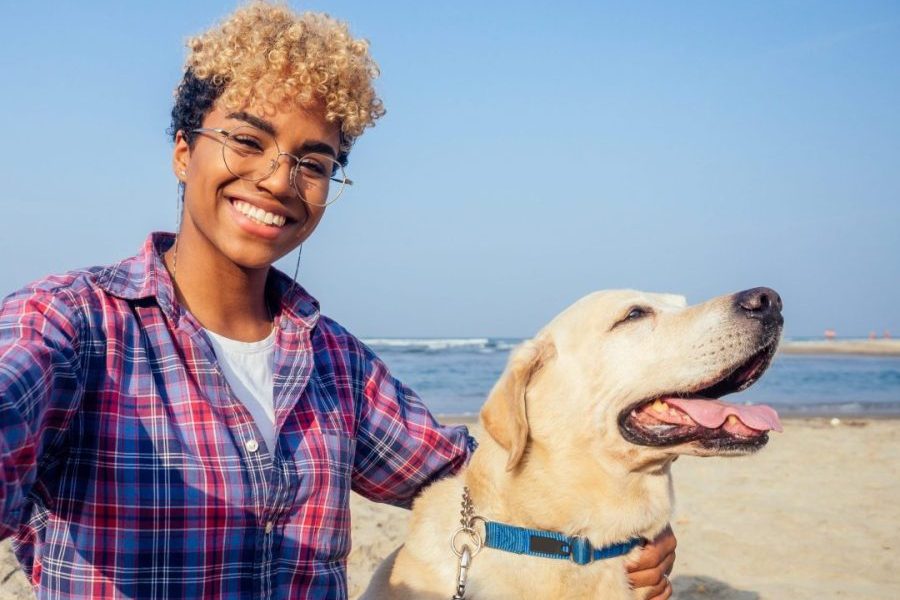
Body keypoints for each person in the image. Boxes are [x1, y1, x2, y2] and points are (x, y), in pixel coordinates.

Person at [0, 2, 675, 598]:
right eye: (247, 139)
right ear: (183, 150)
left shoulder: (334, 363)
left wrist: (607, 540)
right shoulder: (73, 323)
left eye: (314, 162)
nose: (276, 179)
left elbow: (474, 473)